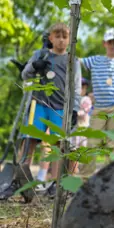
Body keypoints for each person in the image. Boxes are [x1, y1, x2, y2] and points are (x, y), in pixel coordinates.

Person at [20, 23, 81, 191]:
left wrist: (74, 109)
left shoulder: (72, 60)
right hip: (38, 104)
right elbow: (24, 75)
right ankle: (22, 180)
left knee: (57, 145)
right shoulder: (40, 55)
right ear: (51, 38)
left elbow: (76, 87)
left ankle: (56, 182)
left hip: (60, 107)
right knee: (29, 140)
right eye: (58, 36)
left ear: (69, 40)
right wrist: (34, 66)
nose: (61, 40)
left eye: (65, 37)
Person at [80, 29, 114, 169]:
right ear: (104, 43)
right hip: (99, 108)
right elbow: (76, 62)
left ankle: (108, 178)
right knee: (92, 142)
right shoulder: (95, 60)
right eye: (110, 42)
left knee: (113, 144)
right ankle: (84, 178)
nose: (113, 45)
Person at [68, 78, 93, 175]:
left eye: (83, 88)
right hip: (74, 128)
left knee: (81, 149)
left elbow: (84, 111)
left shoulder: (86, 99)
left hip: (82, 128)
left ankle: (81, 170)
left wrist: (75, 113)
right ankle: (73, 170)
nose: (81, 90)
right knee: (73, 149)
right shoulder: (74, 99)